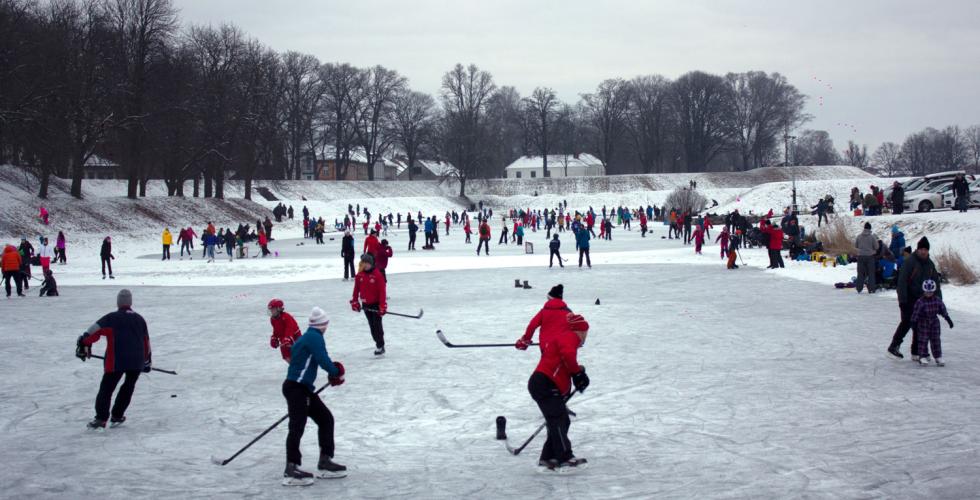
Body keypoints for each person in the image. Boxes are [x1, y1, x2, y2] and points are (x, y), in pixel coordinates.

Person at [514, 284, 590, 471]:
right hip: (544, 383)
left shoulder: (546, 313)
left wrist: (525, 340)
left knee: (559, 419)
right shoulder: (569, 336)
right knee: (558, 418)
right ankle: (564, 456)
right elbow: (567, 355)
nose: (585, 336)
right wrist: (577, 374)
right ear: (579, 330)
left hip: (544, 375)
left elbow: (563, 363)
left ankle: (547, 458)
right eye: (585, 332)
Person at [281, 307, 347, 484]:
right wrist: (336, 371)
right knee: (297, 426)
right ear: (323, 324)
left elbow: (301, 357)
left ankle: (325, 462)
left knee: (325, 419)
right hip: (297, 388)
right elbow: (322, 358)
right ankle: (291, 468)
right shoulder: (315, 337)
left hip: (301, 388)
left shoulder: (306, 336)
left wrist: (332, 374)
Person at [75, 289, 151, 429]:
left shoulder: (112, 318)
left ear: (118, 302)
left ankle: (101, 419)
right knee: (128, 387)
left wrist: (84, 341)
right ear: (130, 303)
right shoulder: (140, 319)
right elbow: (146, 341)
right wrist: (147, 361)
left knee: (107, 389)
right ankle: (117, 415)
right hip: (136, 360)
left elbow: (94, 330)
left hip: (117, 360)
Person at [888, 237, 940, 360]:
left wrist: (938, 300)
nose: (923, 251)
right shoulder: (910, 261)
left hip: (922, 299)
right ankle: (893, 347)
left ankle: (916, 351)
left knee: (920, 324)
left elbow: (935, 283)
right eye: (921, 249)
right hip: (908, 297)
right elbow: (902, 281)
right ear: (917, 249)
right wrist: (902, 300)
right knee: (907, 321)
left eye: (925, 249)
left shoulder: (930, 264)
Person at [910, 280, 953, 366]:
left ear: (933, 291)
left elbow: (942, 310)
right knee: (923, 340)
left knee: (936, 339)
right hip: (923, 323)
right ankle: (922, 356)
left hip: (934, 322)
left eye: (930, 292)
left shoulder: (937, 300)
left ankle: (938, 357)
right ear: (924, 291)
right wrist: (913, 323)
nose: (929, 293)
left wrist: (948, 319)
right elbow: (916, 313)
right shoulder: (920, 301)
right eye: (927, 292)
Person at [351, 254, 387, 355]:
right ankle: (378, 343)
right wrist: (355, 301)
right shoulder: (360, 275)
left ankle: (380, 345)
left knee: (377, 326)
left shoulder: (377, 275)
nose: (365, 265)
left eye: (367, 263)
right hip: (366, 305)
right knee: (372, 326)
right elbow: (356, 289)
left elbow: (382, 291)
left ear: (371, 264)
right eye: (364, 263)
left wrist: (382, 305)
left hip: (376, 305)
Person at [268, 299, 302, 363]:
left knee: (298, 357)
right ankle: (294, 369)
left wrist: (287, 338)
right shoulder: (272, 319)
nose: (271, 311)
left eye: (273, 309)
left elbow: (290, 328)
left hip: (295, 338)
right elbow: (276, 330)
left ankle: (300, 369)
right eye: (270, 310)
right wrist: (274, 337)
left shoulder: (286, 317)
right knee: (286, 357)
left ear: (279, 309)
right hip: (283, 341)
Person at [854, 222, 879, 293]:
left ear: (864, 228)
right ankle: (871, 289)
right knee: (871, 273)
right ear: (870, 228)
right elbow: (876, 247)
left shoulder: (859, 236)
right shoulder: (872, 237)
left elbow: (856, 246)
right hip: (870, 257)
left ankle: (859, 288)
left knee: (860, 273)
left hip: (860, 257)